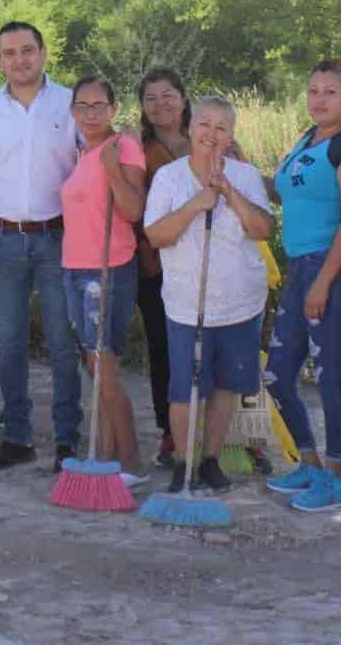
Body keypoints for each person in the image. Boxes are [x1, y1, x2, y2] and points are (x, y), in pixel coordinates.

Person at [0, 22, 81, 470]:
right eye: (9, 53)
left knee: (61, 340)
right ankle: (17, 436)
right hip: (4, 241)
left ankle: (68, 439)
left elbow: (92, 164)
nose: (19, 60)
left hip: (58, 238)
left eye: (27, 50)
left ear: (44, 53)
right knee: (8, 341)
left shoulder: (70, 102)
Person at [142, 96, 273, 494]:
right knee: (184, 387)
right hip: (186, 303)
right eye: (204, 125)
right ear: (189, 128)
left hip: (239, 302)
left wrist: (229, 193)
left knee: (228, 384)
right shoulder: (168, 178)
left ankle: (211, 459)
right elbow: (155, 234)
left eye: (220, 127)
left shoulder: (247, 176)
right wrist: (197, 204)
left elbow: (262, 228)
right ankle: (184, 463)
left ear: (231, 135)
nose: (211, 134)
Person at [263, 59, 341, 511]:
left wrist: (323, 282)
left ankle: (335, 477)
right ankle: (307, 462)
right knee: (277, 374)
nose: (319, 99)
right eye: (313, 91)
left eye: (330, 91)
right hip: (300, 268)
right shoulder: (308, 140)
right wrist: (238, 169)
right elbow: (283, 191)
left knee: (328, 375)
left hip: (335, 269)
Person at [60, 76, 148, 482]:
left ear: (114, 109)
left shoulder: (122, 148)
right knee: (95, 366)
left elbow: (132, 209)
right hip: (74, 266)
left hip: (106, 267)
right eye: (82, 106)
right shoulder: (82, 151)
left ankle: (130, 460)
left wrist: (113, 170)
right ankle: (108, 453)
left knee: (105, 365)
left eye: (99, 105)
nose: (90, 113)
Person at [135, 68, 191, 467]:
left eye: (168, 94)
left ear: (184, 98)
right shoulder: (138, 150)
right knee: (165, 348)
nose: (160, 104)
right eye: (151, 98)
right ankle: (171, 433)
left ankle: (237, 435)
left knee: (220, 349)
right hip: (156, 261)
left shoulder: (211, 136)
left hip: (212, 260)